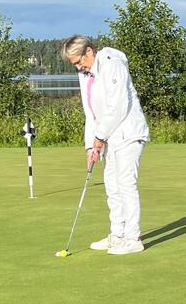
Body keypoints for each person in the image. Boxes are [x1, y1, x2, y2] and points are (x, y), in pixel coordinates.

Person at [60, 35, 150, 255]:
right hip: (109, 135)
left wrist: (99, 137)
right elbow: (90, 111)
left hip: (129, 132)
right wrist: (90, 145)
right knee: (111, 184)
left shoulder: (112, 64)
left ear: (89, 51)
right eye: (74, 65)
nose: (78, 67)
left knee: (126, 183)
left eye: (79, 61)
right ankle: (117, 235)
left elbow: (118, 105)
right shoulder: (85, 74)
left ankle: (133, 238)